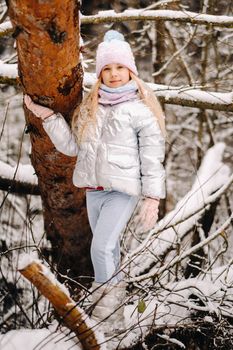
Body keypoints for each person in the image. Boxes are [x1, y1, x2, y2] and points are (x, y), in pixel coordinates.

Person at [24, 30, 166, 334]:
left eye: (120, 68)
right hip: (95, 192)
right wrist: (47, 117)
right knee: (109, 251)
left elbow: (152, 157)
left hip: (122, 192)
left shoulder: (140, 111)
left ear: (130, 70)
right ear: (100, 73)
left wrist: (153, 197)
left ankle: (105, 313)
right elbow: (74, 148)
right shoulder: (92, 108)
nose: (114, 75)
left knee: (100, 248)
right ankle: (114, 321)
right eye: (107, 69)